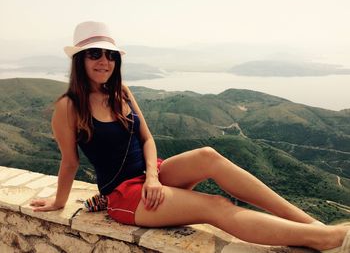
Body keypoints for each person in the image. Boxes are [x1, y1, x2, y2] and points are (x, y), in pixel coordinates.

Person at [30, 21, 350, 252]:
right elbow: (70, 163)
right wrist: (58, 201)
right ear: (79, 60)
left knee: (208, 155)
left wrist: (154, 177)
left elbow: (148, 139)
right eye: (95, 54)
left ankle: (311, 224)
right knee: (215, 204)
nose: (104, 61)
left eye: (110, 55)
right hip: (125, 196)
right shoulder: (69, 107)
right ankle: (328, 240)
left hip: (152, 176)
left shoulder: (121, 92)